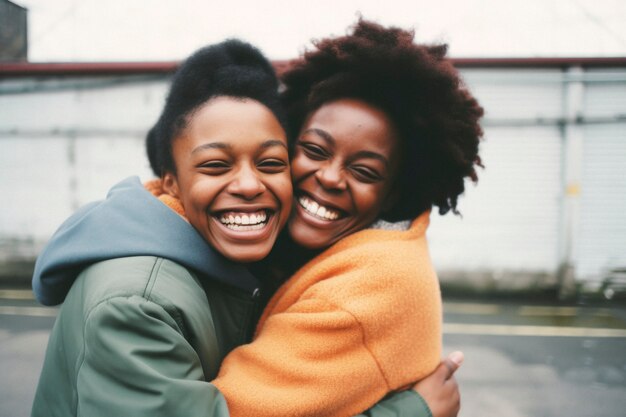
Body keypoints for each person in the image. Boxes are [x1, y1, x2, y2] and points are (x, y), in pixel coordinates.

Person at [30, 37, 465, 417]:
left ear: (393, 194)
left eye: (269, 162)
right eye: (313, 150)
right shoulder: (138, 303)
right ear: (171, 182)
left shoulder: (311, 272)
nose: (247, 183)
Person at [212, 19, 484, 417]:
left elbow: (223, 410)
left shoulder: (363, 294)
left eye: (365, 172)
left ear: (393, 195)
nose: (329, 177)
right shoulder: (293, 239)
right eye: (315, 150)